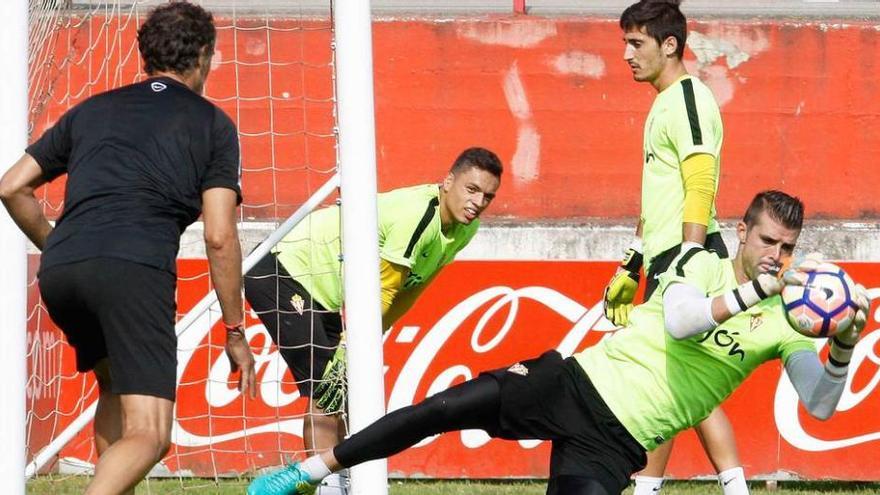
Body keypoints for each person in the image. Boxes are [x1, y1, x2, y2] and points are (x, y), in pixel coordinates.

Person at [248, 190, 869, 495]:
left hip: (617, 441)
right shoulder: (701, 262)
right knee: (442, 408)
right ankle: (308, 471)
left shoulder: (794, 319)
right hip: (571, 381)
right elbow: (683, 321)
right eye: (767, 243)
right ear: (743, 233)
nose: (777, 257)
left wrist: (842, 344)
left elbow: (816, 404)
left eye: (787, 248)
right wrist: (755, 291)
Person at [0, 3, 255, 493]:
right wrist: (235, 329)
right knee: (151, 432)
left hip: (62, 271)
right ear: (202, 56)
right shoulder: (213, 124)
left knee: (116, 391)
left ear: (146, 55)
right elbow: (220, 236)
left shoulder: (92, 109)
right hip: (132, 270)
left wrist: (58, 247)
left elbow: (12, 186)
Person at [244, 147, 502, 493]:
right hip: (283, 271)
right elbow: (383, 291)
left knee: (346, 394)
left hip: (325, 295)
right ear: (448, 181)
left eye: (487, 196)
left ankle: (342, 482)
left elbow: (413, 289)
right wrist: (356, 342)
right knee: (328, 388)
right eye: (471, 190)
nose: (478, 202)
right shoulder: (419, 216)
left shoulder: (464, 229)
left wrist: (371, 336)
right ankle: (329, 488)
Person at [602, 1, 742, 492]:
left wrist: (688, 256)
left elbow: (700, 181)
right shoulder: (662, 102)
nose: (625, 54)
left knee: (669, 380)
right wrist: (634, 259)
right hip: (668, 256)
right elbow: (659, 195)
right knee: (677, 381)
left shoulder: (688, 99)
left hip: (688, 258)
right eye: (625, 43)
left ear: (670, 45)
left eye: (635, 43)